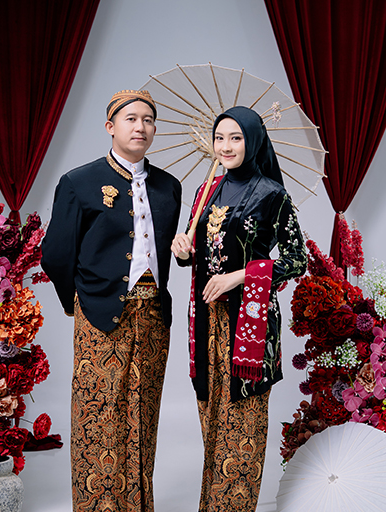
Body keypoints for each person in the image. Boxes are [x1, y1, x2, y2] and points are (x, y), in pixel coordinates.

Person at [41, 89, 182, 512]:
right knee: (99, 415)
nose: (141, 127)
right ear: (110, 126)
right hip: (100, 312)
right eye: (131, 118)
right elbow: (56, 254)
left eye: (149, 120)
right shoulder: (78, 182)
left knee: (144, 414)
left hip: (153, 313)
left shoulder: (169, 187)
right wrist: (78, 301)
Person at [171, 106, 307, 511]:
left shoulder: (271, 194)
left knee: (241, 425)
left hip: (249, 323)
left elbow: (296, 260)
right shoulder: (205, 190)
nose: (225, 146)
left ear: (253, 141)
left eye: (236, 138)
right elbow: (197, 256)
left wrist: (240, 276)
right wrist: (182, 251)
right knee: (212, 419)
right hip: (206, 321)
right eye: (219, 138)